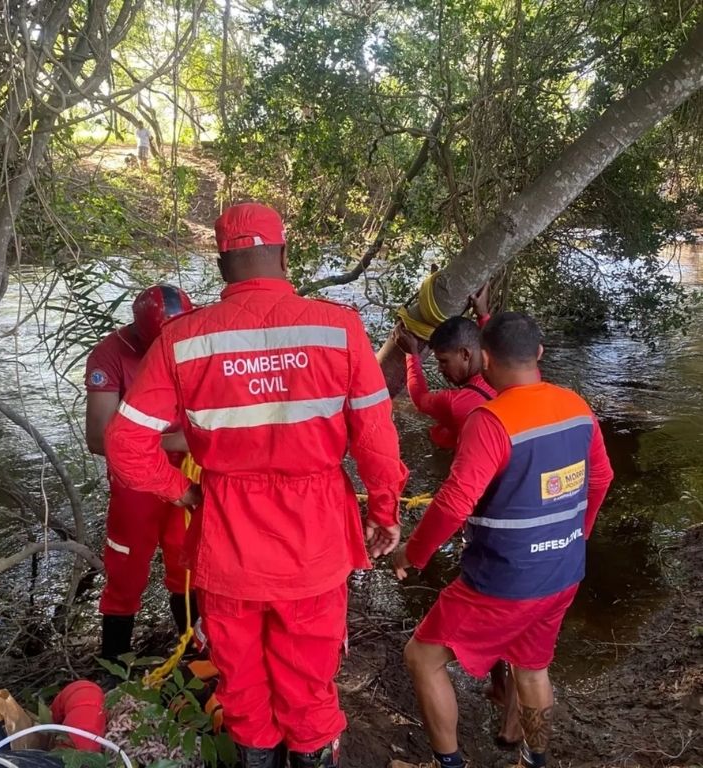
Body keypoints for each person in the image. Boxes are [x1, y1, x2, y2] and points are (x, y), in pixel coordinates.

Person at [104, 202, 409, 768]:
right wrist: (385, 511)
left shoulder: (182, 339)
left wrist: (184, 492)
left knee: (241, 692)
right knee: (310, 690)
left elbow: (125, 445)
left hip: (227, 542)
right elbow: (376, 440)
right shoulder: (338, 328)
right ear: (283, 253)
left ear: (222, 264)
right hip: (314, 543)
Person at [388, 312, 614, 768]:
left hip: (503, 581)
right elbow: (601, 478)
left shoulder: (490, 421)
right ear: (540, 354)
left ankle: (447, 763)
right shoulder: (577, 406)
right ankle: (534, 759)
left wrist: (411, 553)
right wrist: (575, 537)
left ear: (485, 358)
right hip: (563, 572)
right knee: (532, 669)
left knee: (422, 657)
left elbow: (453, 504)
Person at [84, 284, 195, 665]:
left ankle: (195, 651)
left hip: (189, 473)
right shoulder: (111, 354)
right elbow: (100, 438)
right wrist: (171, 441)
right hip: (137, 479)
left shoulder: (194, 343)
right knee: (127, 567)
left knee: (188, 560)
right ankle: (115, 663)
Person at [393, 285, 495, 451]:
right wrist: (483, 315)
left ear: (465, 354)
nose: (440, 369)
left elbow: (420, 399)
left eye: (443, 361)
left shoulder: (454, 403)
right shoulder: (510, 372)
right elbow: (495, 345)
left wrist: (411, 354)